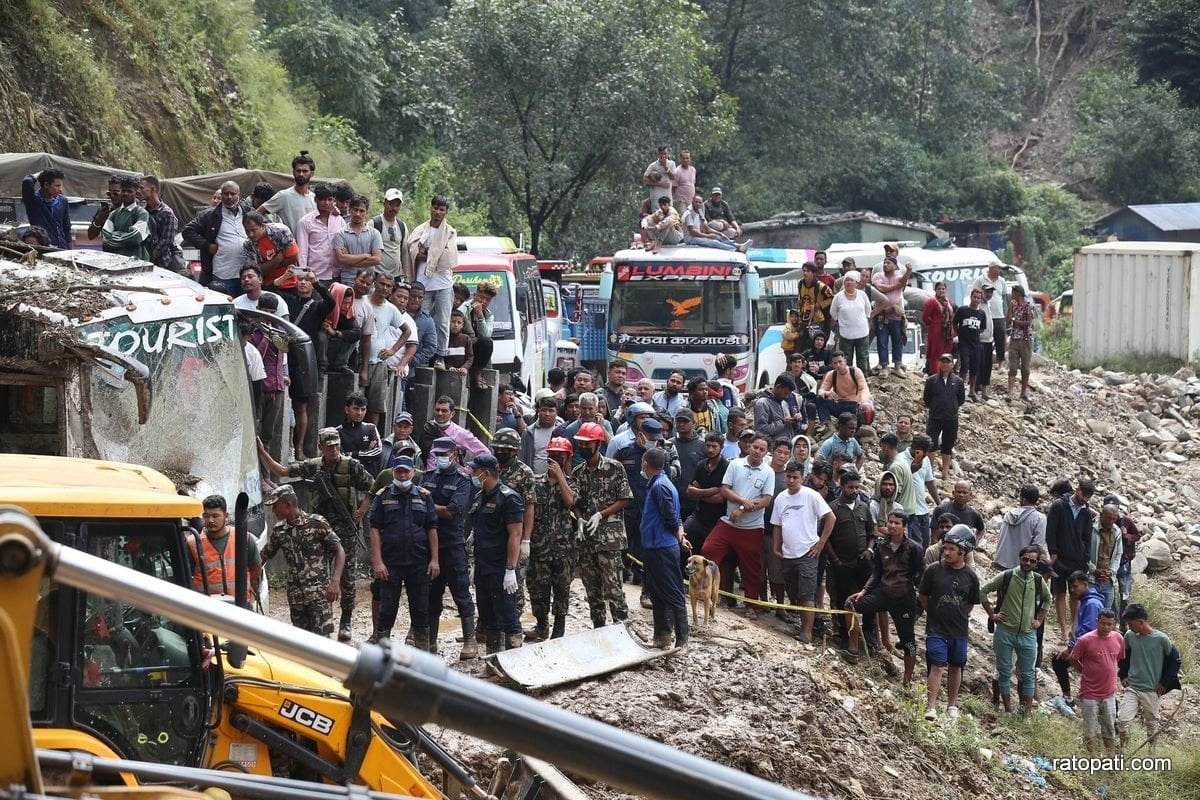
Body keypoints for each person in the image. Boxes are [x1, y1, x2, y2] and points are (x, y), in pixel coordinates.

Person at [257, 428, 374, 643]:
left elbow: (373, 487)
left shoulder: (351, 466)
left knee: (346, 577)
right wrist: (262, 452)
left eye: (337, 445)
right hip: (316, 528)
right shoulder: (313, 466)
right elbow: (282, 471)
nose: (334, 449)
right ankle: (321, 622)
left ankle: (345, 620)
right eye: (329, 446)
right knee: (317, 578)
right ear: (321, 446)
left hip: (344, 527)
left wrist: (361, 511)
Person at [367, 455, 439, 651]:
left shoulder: (424, 496)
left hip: (419, 563)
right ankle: (383, 653)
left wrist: (434, 560)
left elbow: (432, 528)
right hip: (391, 563)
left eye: (406, 471)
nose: (402, 475)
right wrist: (378, 562)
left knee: (420, 609)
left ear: (413, 473)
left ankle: (423, 655)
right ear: (393, 473)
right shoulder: (383, 496)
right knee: (387, 610)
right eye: (398, 471)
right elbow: (374, 529)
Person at [845, 511, 925, 681]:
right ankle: (853, 649)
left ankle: (907, 680)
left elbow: (921, 574)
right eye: (890, 522)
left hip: (904, 598)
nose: (893, 526)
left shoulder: (914, 548)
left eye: (897, 523)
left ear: (904, 527)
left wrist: (921, 601)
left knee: (908, 641)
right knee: (850, 604)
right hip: (882, 593)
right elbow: (877, 572)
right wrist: (864, 591)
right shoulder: (881, 546)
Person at [702, 433, 774, 620]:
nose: (757, 451)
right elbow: (725, 489)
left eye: (762, 449)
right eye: (755, 447)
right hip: (728, 522)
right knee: (708, 550)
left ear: (766, 452)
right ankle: (707, 592)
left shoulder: (768, 472)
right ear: (749, 447)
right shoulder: (735, 464)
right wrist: (742, 501)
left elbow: (766, 500)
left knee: (751, 569)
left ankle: (751, 605)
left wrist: (742, 509)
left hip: (752, 527)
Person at [261, 484, 346, 637]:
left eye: (275, 506)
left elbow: (339, 550)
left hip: (319, 594)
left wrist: (335, 581)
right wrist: (249, 576)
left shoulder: (317, 523)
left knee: (323, 641)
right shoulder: (279, 531)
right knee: (302, 642)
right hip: (296, 597)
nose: (273, 511)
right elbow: (264, 555)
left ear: (288, 505)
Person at [417, 437, 476, 656]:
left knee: (460, 591)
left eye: (444, 454)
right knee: (432, 594)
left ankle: (469, 641)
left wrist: (428, 503)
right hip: (429, 546)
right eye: (438, 455)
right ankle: (431, 642)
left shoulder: (462, 480)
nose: (441, 458)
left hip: (452, 544)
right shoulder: (428, 477)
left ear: (454, 454)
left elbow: (452, 510)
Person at [572, 422, 634, 627]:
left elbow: (625, 498)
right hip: (587, 540)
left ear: (598, 444)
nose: (583, 448)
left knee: (614, 588)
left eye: (587, 444)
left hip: (610, 539)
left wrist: (601, 514)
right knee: (592, 590)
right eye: (581, 444)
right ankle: (599, 630)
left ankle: (623, 631)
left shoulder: (614, 468)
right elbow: (576, 502)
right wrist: (579, 517)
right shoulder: (579, 472)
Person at [981, 544, 1051, 714]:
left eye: (1032, 561)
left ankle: (1026, 713)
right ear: (1019, 559)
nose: (1028, 563)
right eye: (1025, 559)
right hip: (1005, 632)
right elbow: (983, 591)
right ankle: (1008, 710)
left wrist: (1039, 620)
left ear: (1036, 563)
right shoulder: (1007, 576)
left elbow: (1048, 599)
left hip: (1027, 635)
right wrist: (992, 614)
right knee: (1004, 672)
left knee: (1027, 675)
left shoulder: (1037, 580)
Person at [919, 525, 981, 721]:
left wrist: (959, 614)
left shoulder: (970, 576)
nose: (946, 552)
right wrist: (934, 612)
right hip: (936, 628)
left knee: (956, 666)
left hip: (959, 630)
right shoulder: (933, 570)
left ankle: (952, 705)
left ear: (962, 552)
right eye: (945, 548)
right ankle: (931, 706)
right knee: (937, 666)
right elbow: (923, 595)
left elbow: (971, 603)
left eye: (951, 549)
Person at [468, 454, 526, 652]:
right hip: (484, 566)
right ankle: (494, 664)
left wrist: (511, 569)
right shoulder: (479, 497)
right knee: (487, 616)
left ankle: (514, 669)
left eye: (475, 471)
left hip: (501, 567)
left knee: (508, 616)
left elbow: (515, 535)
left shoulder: (509, 498)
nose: (472, 474)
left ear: (486, 473)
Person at [771, 460, 834, 643]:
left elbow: (830, 517)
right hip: (787, 553)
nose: (791, 480)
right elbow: (777, 525)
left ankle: (807, 633)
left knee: (807, 593)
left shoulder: (811, 495)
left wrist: (821, 543)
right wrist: (776, 546)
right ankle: (804, 627)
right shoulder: (781, 498)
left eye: (795, 477)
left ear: (802, 478)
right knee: (794, 593)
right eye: (789, 477)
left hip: (808, 553)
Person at [526, 437, 579, 641]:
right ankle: (541, 625)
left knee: (562, 589)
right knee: (537, 589)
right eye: (552, 455)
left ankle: (559, 629)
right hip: (540, 546)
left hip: (564, 548)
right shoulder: (536, 482)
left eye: (560, 456)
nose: (555, 459)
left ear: (567, 458)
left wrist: (561, 477)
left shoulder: (572, 483)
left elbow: (571, 502)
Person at [641, 447, 691, 649]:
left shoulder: (660, 486)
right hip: (655, 545)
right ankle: (662, 636)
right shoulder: (661, 483)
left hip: (662, 546)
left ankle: (682, 640)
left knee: (672, 591)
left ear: (645, 462)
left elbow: (670, 515)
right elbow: (675, 516)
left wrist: (677, 533)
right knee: (657, 592)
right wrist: (679, 531)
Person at [1116, 603, 1181, 750]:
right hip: (1132, 687)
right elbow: (1124, 657)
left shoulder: (1161, 639)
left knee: (1151, 723)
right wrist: (1123, 675)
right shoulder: (1129, 636)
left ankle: (1152, 753)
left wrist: (1165, 682)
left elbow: (1175, 660)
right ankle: (1123, 751)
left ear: (1141, 622)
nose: (1130, 627)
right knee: (1122, 720)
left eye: (1131, 624)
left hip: (1152, 689)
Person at [824, 467, 877, 647]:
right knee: (841, 599)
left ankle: (868, 632)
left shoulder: (864, 507)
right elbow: (826, 538)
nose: (854, 491)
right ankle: (844, 635)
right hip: (842, 563)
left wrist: (869, 550)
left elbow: (872, 533)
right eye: (851, 488)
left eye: (857, 487)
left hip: (863, 562)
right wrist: (835, 560)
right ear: (842, 486)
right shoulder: (832, 509)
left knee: (869, 596)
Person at [408, 196, 459, 368]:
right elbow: (413, 251)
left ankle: (440, 356)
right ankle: (417, 353)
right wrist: (432, 253)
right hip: (423, 283)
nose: (438, 212)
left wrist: (427, 253)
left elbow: (448, 257)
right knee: (421, 319)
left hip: (443, 283)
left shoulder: (450, 232)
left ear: (446, 212)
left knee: (443, 322)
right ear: (431, 208)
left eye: (441, 209)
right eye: (435, 208)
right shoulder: (421, 230)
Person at [493, 428, 536, 617]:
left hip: (515, 534)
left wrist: (526, 539)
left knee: (514, 580)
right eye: (498, 448)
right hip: (492, 533)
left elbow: (529, 507)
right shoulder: (491, 468)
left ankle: (512, 627)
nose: (500, 452)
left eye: (505, 449)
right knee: (490, 582)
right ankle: (487, 626)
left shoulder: (524, 473)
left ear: (515, 451)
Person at [187, 495, 262, 604]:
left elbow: (256, 569)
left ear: (226, 516)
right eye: (206, 516)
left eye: (215, 516)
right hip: (207, 608)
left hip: (240, 604)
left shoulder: (244, 538)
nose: (210, 520)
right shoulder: (193, 543)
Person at [1046, 479, 1097, 642]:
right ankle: (1063, 629)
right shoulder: (1059, 506)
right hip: (1060, 558)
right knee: (1059, 593)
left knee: (1076, 595)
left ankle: (1074, 628)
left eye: (1088, 497)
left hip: (1078, 560)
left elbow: (1087, 537)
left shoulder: (1086, 512)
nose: (1085, 499)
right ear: (1077, 489)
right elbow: (1051, 531)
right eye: (1083, 494)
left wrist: (1086, 559)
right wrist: (1053, 552)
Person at [1071, 609, 1124, 754]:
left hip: (1109, 693)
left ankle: (1110, 757)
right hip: (1089, 693)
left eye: (1109, 624)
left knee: (1109, 727)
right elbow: (1073, 658)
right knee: (1090, 728)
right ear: (1096, 621)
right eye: (1103, 624)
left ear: (1114, 624)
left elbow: (1118, 659)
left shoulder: (1118, 638)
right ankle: (1092, 758)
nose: (1106, 627)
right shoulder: (1085, 640)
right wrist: (1084, 671)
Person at [1051, 571, 1107, 708]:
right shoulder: (1087, 600)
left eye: (1075, 586)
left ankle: (1108, 708)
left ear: (1085, 584)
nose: (1072, 590)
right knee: (1060, 662)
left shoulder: (1091, 604)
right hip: (1087, 646)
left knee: (1061, 661)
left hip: (1091, 648)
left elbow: (1088, 631)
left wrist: (1070, 648)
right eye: (1070, 587)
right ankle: (1069, 698)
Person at [183, 180, 248, 291]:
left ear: (239, 195)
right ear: (221, 195)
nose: (229, 197)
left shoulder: (247, 212)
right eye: (226, 193)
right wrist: (207, 245)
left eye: (233, 194)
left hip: (245, 274)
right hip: (222, 274)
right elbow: (188, 231)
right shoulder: (210, 215)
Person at [923, 354, 966, 480]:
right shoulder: (932, 380)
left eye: (948, 362)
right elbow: (927, 398)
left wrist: (952, 407)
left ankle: (945, 472)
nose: (945, 364)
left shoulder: (958, 381)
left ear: (952, 365)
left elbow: (961, 399)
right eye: (943, 362)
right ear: (939, 364)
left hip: (951, 418)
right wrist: (935, 407)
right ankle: (929, 470)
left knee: (948, 445)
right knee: (931, 443)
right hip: (935, 417)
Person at [419, 395, 489, 470]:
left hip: (450, 479)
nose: (440, 413)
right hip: (429, 477)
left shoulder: (460, 433)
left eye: (444, 411)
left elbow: (485, 453)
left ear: (452, 414)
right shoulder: (428, 429)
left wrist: (468, 471)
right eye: (437, 410)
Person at [871, 256, 913, 375]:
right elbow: (880, 287)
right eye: (884, 263)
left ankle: (897, 366)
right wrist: (897, 286)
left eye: (888, 263)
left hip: (896, 315)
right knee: (882, 341)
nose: (885, 265)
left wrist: (909, 272)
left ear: (895, 266)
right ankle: (884, 366)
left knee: (897, 341)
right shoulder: (878, 276)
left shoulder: (900, 277)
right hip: (882, 315)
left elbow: (903, 281)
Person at [296, 183, 346, 283]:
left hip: (337, 275)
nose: (326, 203)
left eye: (330, 199)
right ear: (316, 200)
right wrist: (303, 276)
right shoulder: (305, 222)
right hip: (315, 276)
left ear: (334, 200)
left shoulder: (339, 220)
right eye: (323, 199)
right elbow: (302, 252)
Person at [258, 151, 317, 235]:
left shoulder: (315, 199)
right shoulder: (284, 196)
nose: (301, 174)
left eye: (305, 171)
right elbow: (257, 213)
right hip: (289, 246)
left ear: (312, 173)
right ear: (293, 172)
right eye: (298, 171)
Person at [898, 435, 940, 549]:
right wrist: (911, 471)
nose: (925, 454)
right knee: (915, 546)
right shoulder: (900, 459)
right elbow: (896, 483)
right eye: (923, 451)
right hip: (909, 511)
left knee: (925, 545)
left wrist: (939, 504)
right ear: (914, 447)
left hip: (923, 510)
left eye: (927, 451)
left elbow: (930, 482)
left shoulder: (925, 460)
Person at [334, 195, 383, 286]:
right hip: (347, 281)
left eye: (361, 211)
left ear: (366, 212)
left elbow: (377, 259)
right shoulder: (340, 234)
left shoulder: (374, 233)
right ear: (349, 210)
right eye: (355, 210)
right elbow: (341, 258)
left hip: (367, 282)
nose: (358, 214)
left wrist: (350, 259)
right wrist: (366, 256)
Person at [241, 211, 301, 286]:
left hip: (290, 282)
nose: (250, 234)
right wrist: (278, 258)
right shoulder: (248, 245)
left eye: (253, 230)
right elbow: (256, 271)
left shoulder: (280, 231)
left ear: (262, 226)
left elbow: (294, 258)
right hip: (268, 285)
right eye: (247, 231)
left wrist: (268, 266)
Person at [815, 351, 872, 429]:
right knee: (819, 399)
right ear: (832, 364)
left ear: (845, 361)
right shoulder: (831, 374)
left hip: (854, 405)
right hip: (840, 404)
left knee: (865, 408)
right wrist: (827, 393)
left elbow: (864, 388)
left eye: (840, 362)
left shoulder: (855, 371)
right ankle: (827, 425)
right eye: (835, 363)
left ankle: (855, 430)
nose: (838, 365)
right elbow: (821, 391)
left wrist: (863, 401)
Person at [828, 271, 872, 371]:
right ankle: (848, 381)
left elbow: (868, 310)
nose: (849, 282)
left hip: (862, 333)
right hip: (845, 334)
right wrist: (840, 321)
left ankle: (863, 381)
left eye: (851, 280)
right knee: (847, 360)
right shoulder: (838, 297)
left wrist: (865, 322)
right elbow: (833, 312)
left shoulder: (862, 295)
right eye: (847, 280)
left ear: (856, 283)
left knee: (863, 358)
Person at [101, 176, 151, 261]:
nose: (126, 194)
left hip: (135, 262)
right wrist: (125, 236)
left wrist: (114, 234)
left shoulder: (142, 214)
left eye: (129, 191)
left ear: (136, 193)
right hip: (115, 260)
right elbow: (105, 238)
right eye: (123, 190)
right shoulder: (114, 214)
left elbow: (136, 237)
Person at [458, 280, 497, 389]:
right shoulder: (463, 308)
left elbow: (486, 335)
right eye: (481, 297)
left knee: (487, 343)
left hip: (477, 350)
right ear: (474, 295)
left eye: (487, 300)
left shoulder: (489, 315)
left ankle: (476, 373)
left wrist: (480, 317)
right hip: (463, 346)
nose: (483, 301)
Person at [138, 176, 182, 272]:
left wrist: (148, 259)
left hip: (161, 265)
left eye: (142, 188)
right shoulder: (143, 212)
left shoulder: (166, 213)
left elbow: (166, 241)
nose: (138, 191)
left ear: (153, 189)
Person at [953, 287, 989, 401]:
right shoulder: (962, 310)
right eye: (974, 297)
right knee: (964, 366)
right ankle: (959, 390)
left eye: (978, 298)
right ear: (971, 297)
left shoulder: (981, 314)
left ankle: (972, 391)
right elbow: (954, 323)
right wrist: (960, 333)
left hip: (976, 344)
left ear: (980, 299)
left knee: (975, 368)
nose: (976, 299)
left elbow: (982, 328)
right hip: (964, 343)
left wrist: (975, 333)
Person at [21, 168, 71, 249]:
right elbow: (27, 182)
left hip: (62, 249)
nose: (60, 189)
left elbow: (67, 228)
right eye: (57, 186)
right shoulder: (33, 200)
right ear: (46, 185)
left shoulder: (63, 201)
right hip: (43, 249)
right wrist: (40, 173)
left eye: (61, 185)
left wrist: (71, 251)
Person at [336, 392, 383, 475]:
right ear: (347, 410)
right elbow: (340, 457)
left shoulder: (371, 428)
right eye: (356, 409)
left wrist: (352, 454)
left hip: (368, 478)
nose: (359, 413)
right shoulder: (338, 432)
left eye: (363, 409)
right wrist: (367, 455)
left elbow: (378, 452)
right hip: (345, 478)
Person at [682, 193, 748, 252]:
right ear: (692, 202)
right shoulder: (688, 213)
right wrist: (707, 236)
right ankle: (735, 250)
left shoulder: (700, 213)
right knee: (714, 242)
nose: (697, 204)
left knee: (719, 237)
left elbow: (707, 228)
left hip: (698, 236)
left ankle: (738, 246)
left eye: (699, 202)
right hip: (691, 239)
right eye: (696, 202)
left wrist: (719, 233)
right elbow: (692, 231)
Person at [973, 261, 1008, 365]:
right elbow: (974, 293)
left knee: (1000, 338)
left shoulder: (1001, 281)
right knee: (984, 338)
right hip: (984, 313)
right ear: (992, 268)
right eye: (998, 268)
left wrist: (1006, 314)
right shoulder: (980, 279)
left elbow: (1004, 297)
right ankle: (982, 360)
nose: (1000, 270)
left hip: (999, 314)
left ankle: (1000, 361)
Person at [373, 188, 411, 280]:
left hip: (395, 276)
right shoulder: (374, 223)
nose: (394, 208)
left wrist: (406, 277)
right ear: (384, 203)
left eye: (397, 205)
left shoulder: (402, 226)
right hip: (377, 274)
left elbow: (405, 253)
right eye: (391, 204)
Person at [1006, 285, 1035, 402]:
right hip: (1014, 338)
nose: (1011, 295)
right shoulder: (1013, 306)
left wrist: (1016, 322)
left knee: (1025, 368)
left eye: (1013, 293)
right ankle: (1010, 393)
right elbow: (1007, 321)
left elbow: (1029, 322)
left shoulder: (1028, 306)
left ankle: (1023, 393)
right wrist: (1010, 310)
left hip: (1025, 339)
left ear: (1017, 293)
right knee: (1012, 366)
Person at [920, 281, 955, 375]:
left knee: (947, 356)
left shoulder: (948, 301)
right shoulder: (931, 302)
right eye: (939, 289)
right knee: (936, 356)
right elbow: (925, 318)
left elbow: (952, 316)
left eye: (943, 289)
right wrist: (934, 324)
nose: (941, 291)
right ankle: (937, 377)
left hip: (947, 334)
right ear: (935, 290)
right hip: (936, 333)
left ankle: (946, 376)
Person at [796, 262, 835, 345]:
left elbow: (832, 298)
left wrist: (820, 304)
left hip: (817, 319)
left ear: (813, 273)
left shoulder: (821, 286)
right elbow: (800, 296)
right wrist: (799, 301)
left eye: (808, 271)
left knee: (815, 344)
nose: (805, 273)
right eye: (804, 271)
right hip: (803, 318)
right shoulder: (800, 284)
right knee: (801, 344)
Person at [671, 149, 696, 215]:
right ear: (680, 159)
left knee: (691, 219)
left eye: (687, 158)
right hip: (680, 201)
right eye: (684, 158)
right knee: (684, 218)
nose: (685, 160)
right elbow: (673, 187)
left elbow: (692, 184)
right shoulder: (677, 171)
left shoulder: (693, 170)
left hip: (690, 200)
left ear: (690, 159)